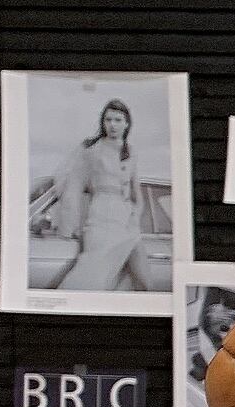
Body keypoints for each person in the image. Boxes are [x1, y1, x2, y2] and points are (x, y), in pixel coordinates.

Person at [44, 97, 156, 292]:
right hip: (100, 219)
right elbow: (73, 188)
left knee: (146, 283)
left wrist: (135, 217)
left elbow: (137, 194)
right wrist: (68, 226)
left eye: (118, 120)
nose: (112, 125)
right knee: (92, 279)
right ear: (102, 122)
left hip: (128, 224)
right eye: (108, 119)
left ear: (127, 123)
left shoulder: (131, 152)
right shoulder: (91, 150)